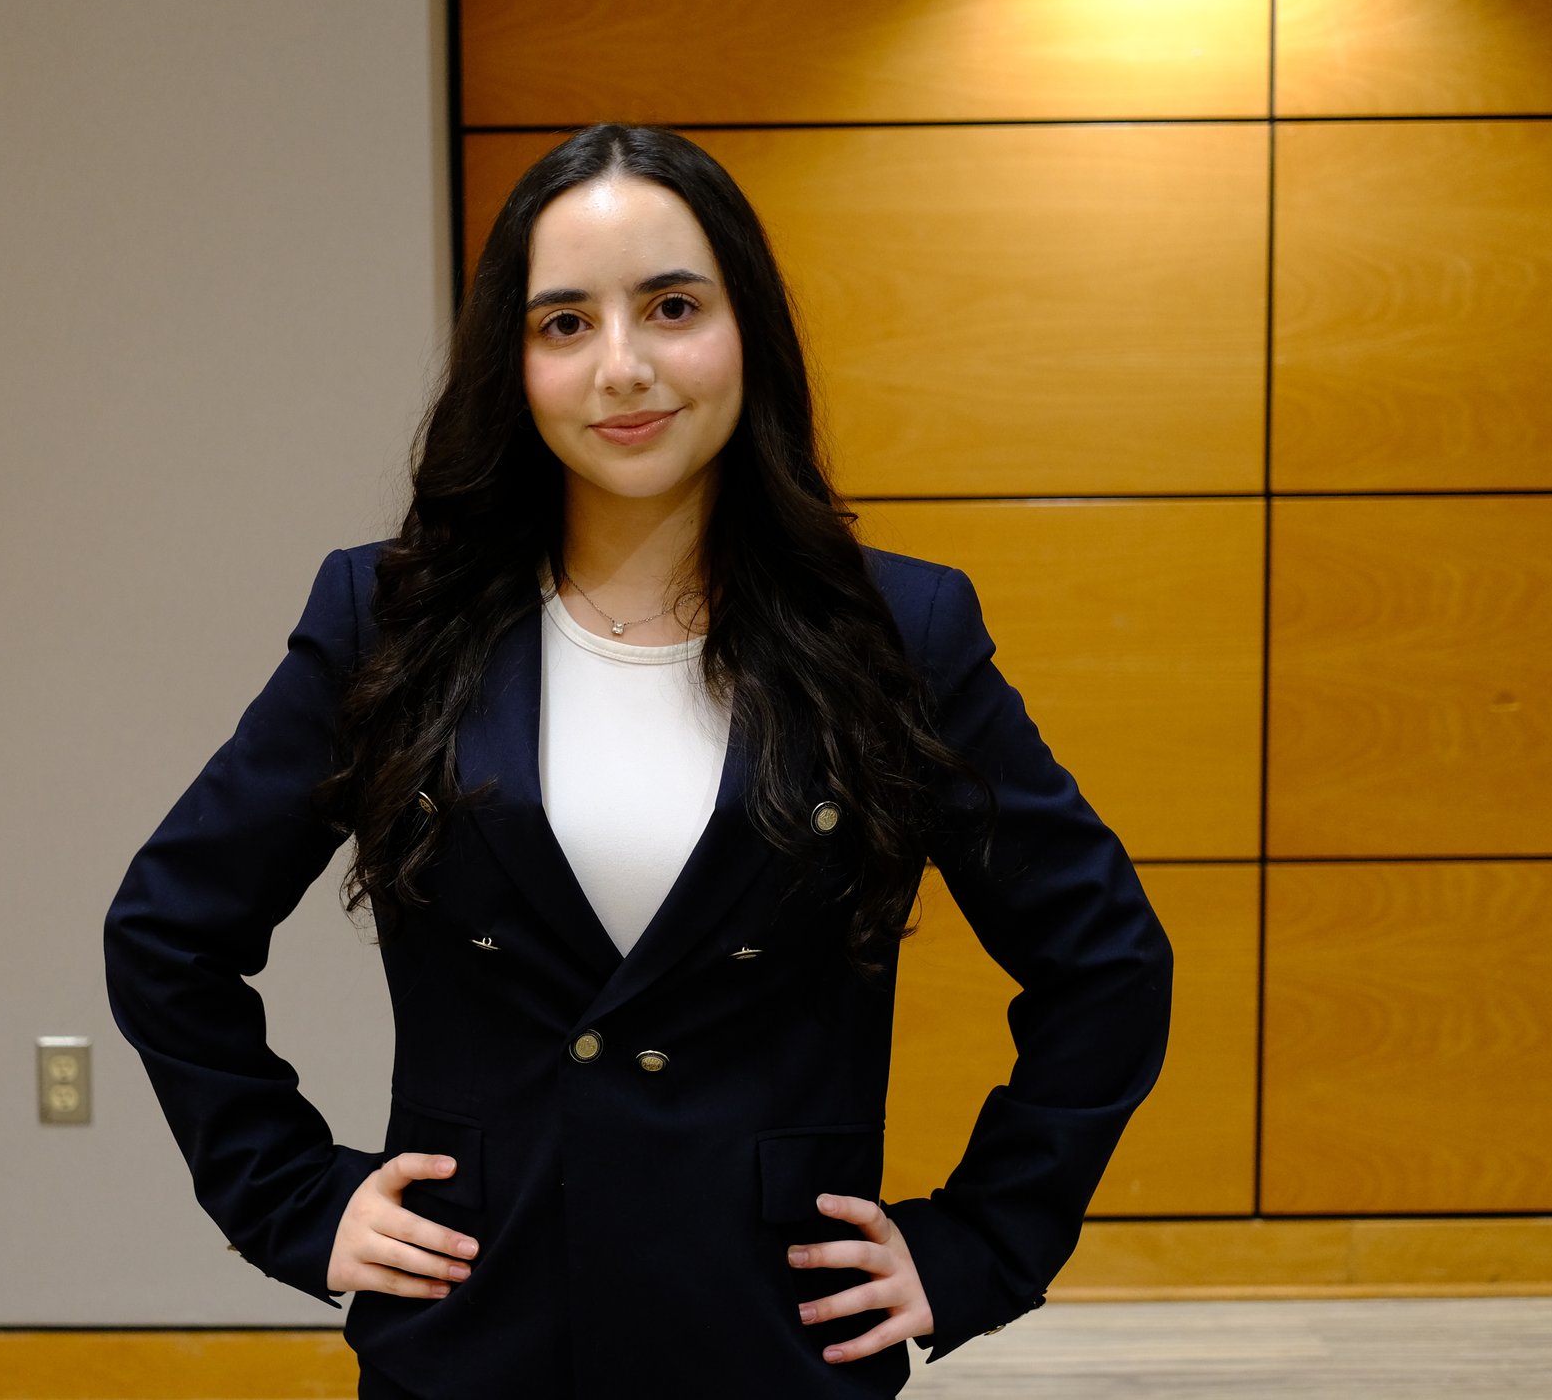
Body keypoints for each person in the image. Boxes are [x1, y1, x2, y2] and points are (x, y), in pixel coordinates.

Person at [104, 122, 1173, 1400]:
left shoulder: (900, 632)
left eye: (672, 307)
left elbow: (1104, 964)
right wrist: (291, 1196)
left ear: (746, 329)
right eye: (564, 323)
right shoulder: (384, 621)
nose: (622, 367)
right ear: (512, 362)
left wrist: (980, 1242)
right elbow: (169, 932)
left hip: (772, 1340)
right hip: (472, 1334)